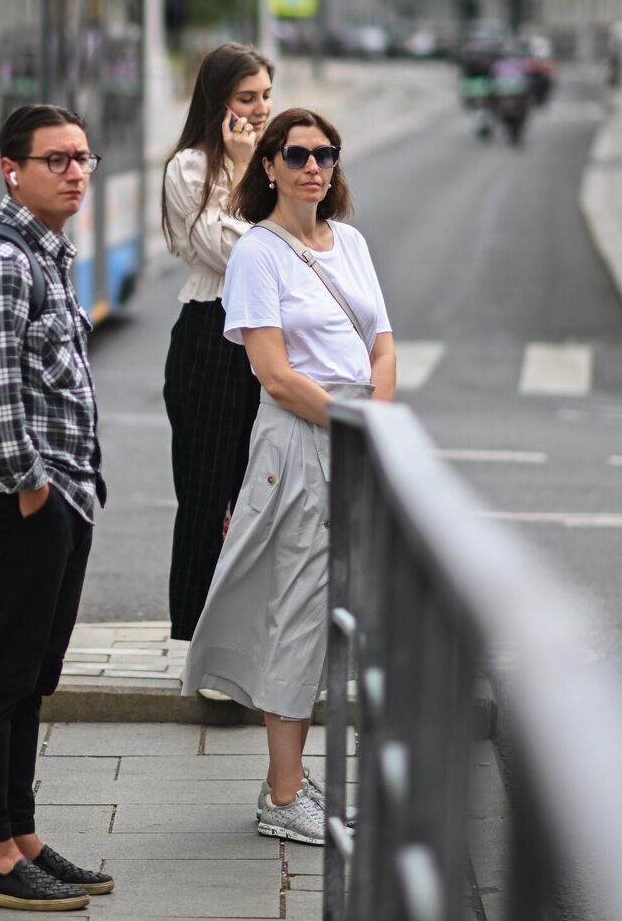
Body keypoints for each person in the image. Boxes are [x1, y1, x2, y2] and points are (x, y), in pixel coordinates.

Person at [181, 107, 396, 847]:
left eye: (325, 154)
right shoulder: (257, 254)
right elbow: (273, 375)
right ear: (268, 165)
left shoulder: (353, 243)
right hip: (303, 437)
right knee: (301, 607)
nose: (313, 166)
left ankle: (298, 781)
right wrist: (355, 423)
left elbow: (384, 345)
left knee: (346, 612)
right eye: (297, 154)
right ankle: (281, 795)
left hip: (357, 434)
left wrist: (379, 421)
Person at [0, 105, 113, 911]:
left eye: (83, 157)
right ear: (13, 170)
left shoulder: (49, 256)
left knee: (28, 678)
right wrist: (32, 486)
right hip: (15, 502)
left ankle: (19, 832)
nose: (75, 172)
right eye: (56, 160)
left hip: (56, 499)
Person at [161, 43, 273, 642]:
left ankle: (247, 631)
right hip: (209, 334)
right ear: (218, 102)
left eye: (264, 97)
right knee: (206, 495)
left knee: (261, 493)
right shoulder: (189, 167)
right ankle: (195, 634)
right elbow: (233, 253)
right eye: (245, 98)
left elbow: (298, 245)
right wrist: (241, 170)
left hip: (265, 339)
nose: (258, 111)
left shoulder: (275, 160)